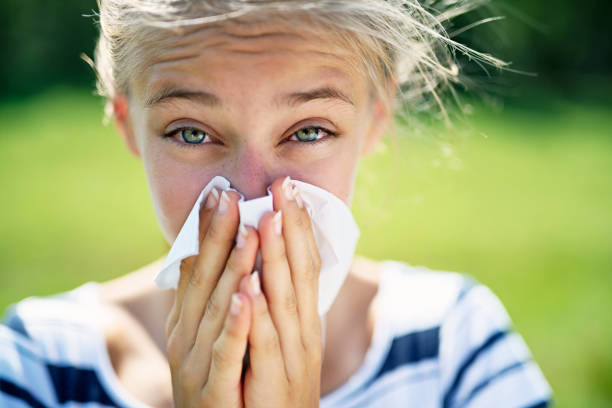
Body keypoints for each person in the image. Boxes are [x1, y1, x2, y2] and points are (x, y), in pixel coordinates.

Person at [0, 1, 552, 407]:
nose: (251, 197)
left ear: (373, 120)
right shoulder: (38, 367)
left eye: (309, 130)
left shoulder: (456, 349)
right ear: (128, 125)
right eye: (192, 133)